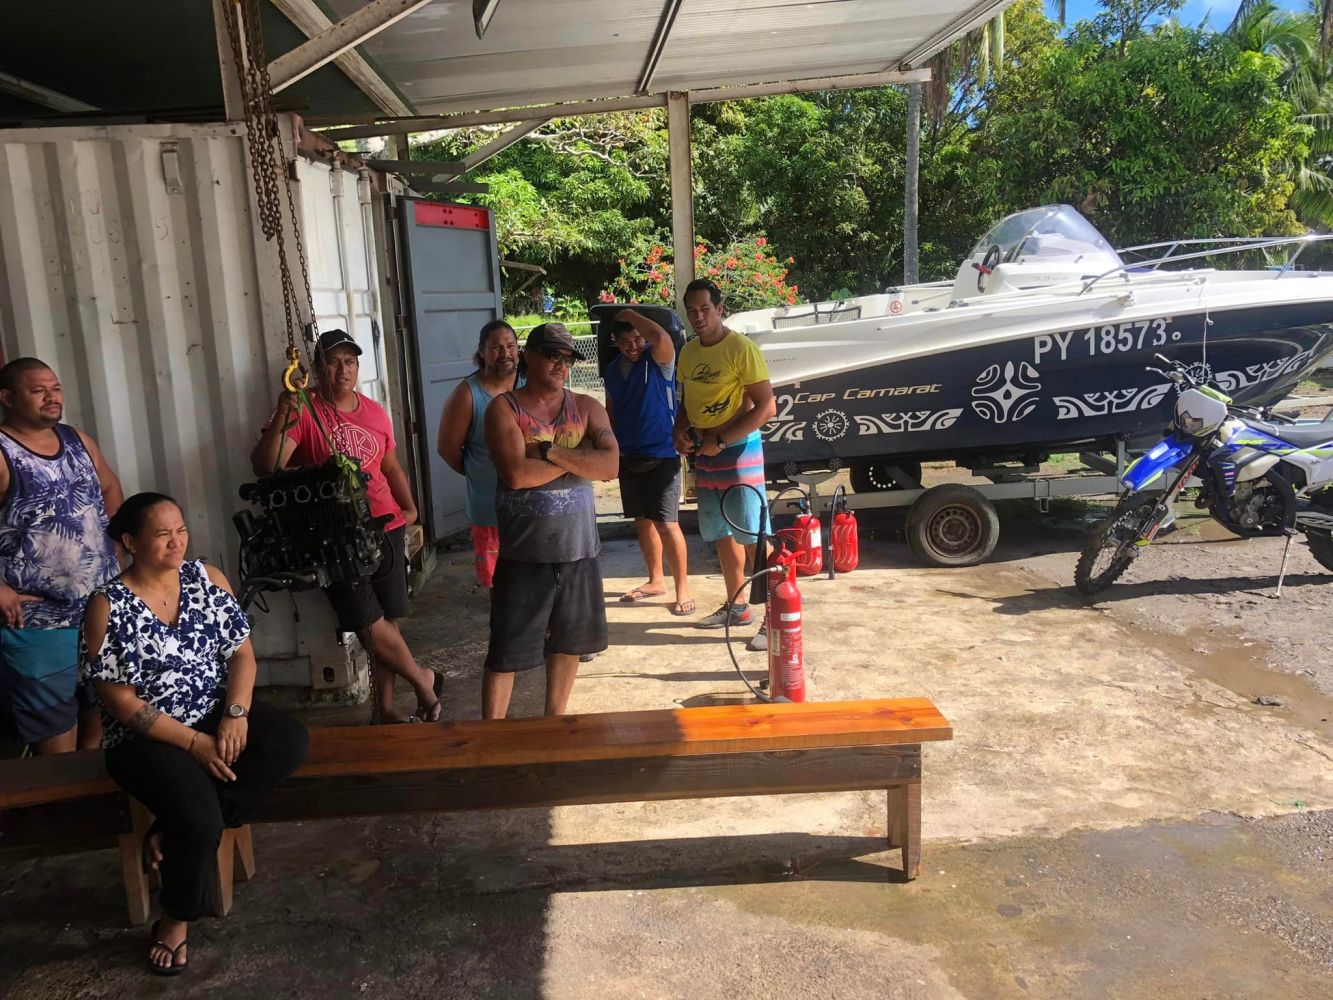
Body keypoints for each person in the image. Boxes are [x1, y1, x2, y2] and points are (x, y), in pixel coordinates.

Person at [84, 492, 309, 976]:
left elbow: (242, 656)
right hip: (145, 740)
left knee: (288, 741)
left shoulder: (207, 579)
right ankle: (175, 918)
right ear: (130, 541)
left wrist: (234, 713)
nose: (176, 541)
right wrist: (192, 742)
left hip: (211, 712)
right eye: (162, 533)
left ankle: (173, 828)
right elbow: (119, 701)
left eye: (180, 529)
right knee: (201, 820)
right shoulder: (107, 605)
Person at [250, 328, 441, 723]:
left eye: (349, 361)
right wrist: (285, 411)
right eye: (333, 362)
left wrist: (410, 509)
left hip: (385, 525)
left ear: (358, 367)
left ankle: (385, 709)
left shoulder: (374, 411)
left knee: (388, 619)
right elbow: (267, 466)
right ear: (319, 368)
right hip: (337, 537)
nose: (342, 370)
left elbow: (389, 465)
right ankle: (423, 680)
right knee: (365, 621)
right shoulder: (304, 408)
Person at [481, 322, 618, 719]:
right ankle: (491, 735)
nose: (561, 365)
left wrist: (547, 452)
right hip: (524, 553)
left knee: (569, 643)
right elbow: (517, 476)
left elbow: (610, 465)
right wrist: (579, 458)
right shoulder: (503, 409)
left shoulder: (587, 406)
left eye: (567, 358)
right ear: (529, 356)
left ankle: (555, 723)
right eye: (552, 355)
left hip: (578, 550)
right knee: (506, 651)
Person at [0, 357, 122, 753]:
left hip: (99, 608)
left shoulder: (78, 440)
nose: (52, 398)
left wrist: (117, 547)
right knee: (55, 735)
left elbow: (110, 487)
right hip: (37, 619)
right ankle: (64, 809)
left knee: (100, 713)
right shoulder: (4, 453)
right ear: (7, 398)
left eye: (55, 388)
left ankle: (95, 809)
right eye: (38, 391)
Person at [672, 279, 777, 649]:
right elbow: (687, 402)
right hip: (706, 452)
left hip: (738, 450)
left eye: (705, 309)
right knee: (722, 532)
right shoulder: (687, 353)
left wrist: (722, 439)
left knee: (754, 536)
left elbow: (767, 407)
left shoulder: (741, 348)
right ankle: (738, 607)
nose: (699, 317)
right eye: (692, 311)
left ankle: (776, 616)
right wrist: (679, 431)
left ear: (720, 309)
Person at [603, 309, 693, 616]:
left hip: (663, 452)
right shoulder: (613, 370)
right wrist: (612, 451)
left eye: (637, 338)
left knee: (667, 524)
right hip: (629, 454)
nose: (633, 345)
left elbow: (662, 337)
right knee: (642, 521)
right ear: (615, 343)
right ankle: (656, 580)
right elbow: (611, 410)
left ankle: (682, 588)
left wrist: (628, 313)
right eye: (625, 340)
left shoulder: (659, 361)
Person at [436, 319, 520, 588]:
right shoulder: (467, 395)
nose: (505, 353)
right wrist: (478, 470)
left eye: (510, 345)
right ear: (481, 352)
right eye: (496, 347)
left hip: (531, 510)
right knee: (500, 585)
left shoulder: (529, 384)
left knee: (534, 580)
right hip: (490, 511)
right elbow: (447, 449)